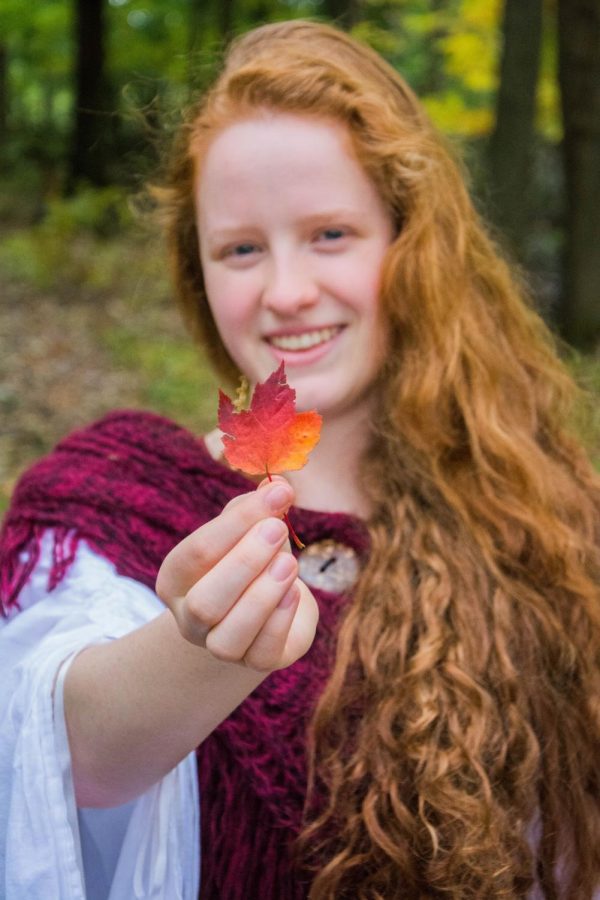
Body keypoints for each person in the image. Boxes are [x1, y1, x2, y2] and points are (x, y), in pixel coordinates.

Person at [1, 18, 599, 900]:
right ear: (197, 271)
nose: (285, 292)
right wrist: (198, 649)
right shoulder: (122, 495)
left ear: (412, 245)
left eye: (330, 235)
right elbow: (58, 747)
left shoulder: (536, 514)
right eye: (241, 248)